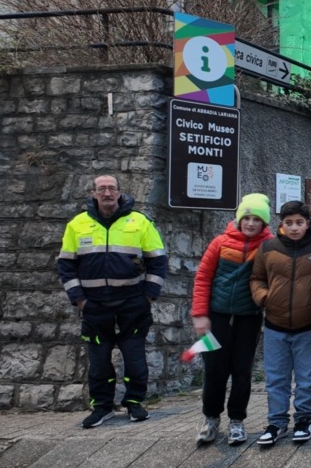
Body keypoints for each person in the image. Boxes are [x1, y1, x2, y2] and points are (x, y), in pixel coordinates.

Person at [58, 175, 167, 428]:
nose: (107, 193)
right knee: (98, 362)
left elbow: (158, 260)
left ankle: (134, 403)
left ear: (119, 192)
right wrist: (79, 300)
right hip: (94, 306)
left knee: (134, 358)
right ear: (93, 193)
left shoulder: (140, 222)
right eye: (102, 189)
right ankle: (102, 407)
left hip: (132, 303)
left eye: (111, 188)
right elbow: (66, 265)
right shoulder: (77, 224)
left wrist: (148, 295)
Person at [190, 193, 271, 445]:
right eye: (246, 218)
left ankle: (237, 420)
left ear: (264, 222)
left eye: (256, 219)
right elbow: (203, 278)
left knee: (242, 370)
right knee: (214, 369)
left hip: (249, 318)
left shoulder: (269, 245)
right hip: (217, 317)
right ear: (238, 219)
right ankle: (211, 419)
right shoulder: (220, 243)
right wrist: (200, 315)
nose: (250, 223)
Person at [250, 201, 311, 446]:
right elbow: (257, 278)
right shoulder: (268, 248)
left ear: (308, 223)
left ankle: (304, 419)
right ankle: (276, 423)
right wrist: (264, 298)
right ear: (281, 223)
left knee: (306, 379)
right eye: (289, 222)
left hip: (310, 325)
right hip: (275, 325)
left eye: (299, 223)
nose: (294, 227)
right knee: (276, 379)